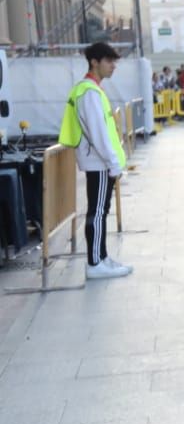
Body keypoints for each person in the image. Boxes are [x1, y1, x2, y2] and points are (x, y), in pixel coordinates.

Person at [59, 41, 131, 280]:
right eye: (109, 61)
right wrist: (113, 163)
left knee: (101, 210)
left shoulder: (91, 90)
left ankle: (101, 257)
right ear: (95, 62)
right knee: (98, 211)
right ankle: (94, 263)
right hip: (99, 162)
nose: (113, 66)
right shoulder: (89, 92)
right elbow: (98, 133)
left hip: (99, 162)